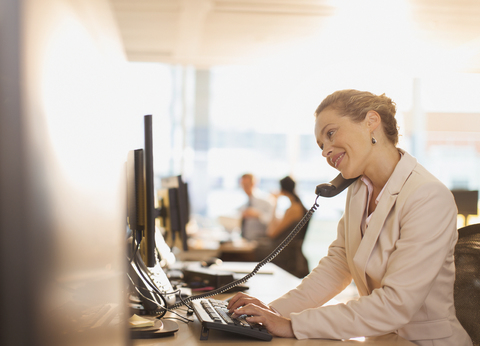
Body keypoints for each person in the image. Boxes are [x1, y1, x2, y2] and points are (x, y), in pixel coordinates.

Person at [227, 89, 473, 346]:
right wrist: (273, 313)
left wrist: (293, 325)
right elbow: (337, 267)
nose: (325, 151)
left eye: (330, 133)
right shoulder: (358, 191)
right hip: (381, 340)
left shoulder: (427, 196)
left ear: (371, 122)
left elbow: (396, 305)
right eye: (321, 145)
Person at [264, 176, 310, 278]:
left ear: (282, 190)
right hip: (292, 254)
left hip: (287, 256)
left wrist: (275, 203)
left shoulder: (293, 209)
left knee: (254, 252)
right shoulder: (298, 206)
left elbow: (271, 233)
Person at [239, 173, 274, 242]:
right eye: (243, 185)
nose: (244, 188)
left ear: (254, 184)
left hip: (261, 241)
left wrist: (258, 215)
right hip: (246, 241)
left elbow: (273, 222)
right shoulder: (244, 205)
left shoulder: (266, 201)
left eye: (247, 184)